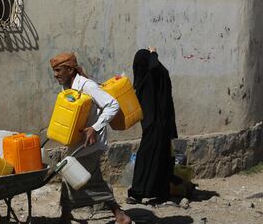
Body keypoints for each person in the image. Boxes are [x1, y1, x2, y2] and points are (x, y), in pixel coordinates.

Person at [50, 52, 132, 224]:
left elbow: (112, 105)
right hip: (79, 142)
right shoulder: (67, 86)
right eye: (54, 71)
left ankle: (119, 216)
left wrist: (94, 128)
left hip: (91, 142)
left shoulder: (87, 85)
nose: (56, 74)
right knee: (81, 176)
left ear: (70, 69)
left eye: (59, 70)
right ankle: (118, 215)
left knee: (71, 174)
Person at [127, 47, 178, 204]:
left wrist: (154, 53)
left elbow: (155, 66)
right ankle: (156, 192)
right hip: (156, 125)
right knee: (157, 158)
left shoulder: (156, 73)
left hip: (157, 125)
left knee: (148, 158)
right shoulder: (149, 78)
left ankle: (138, 192)